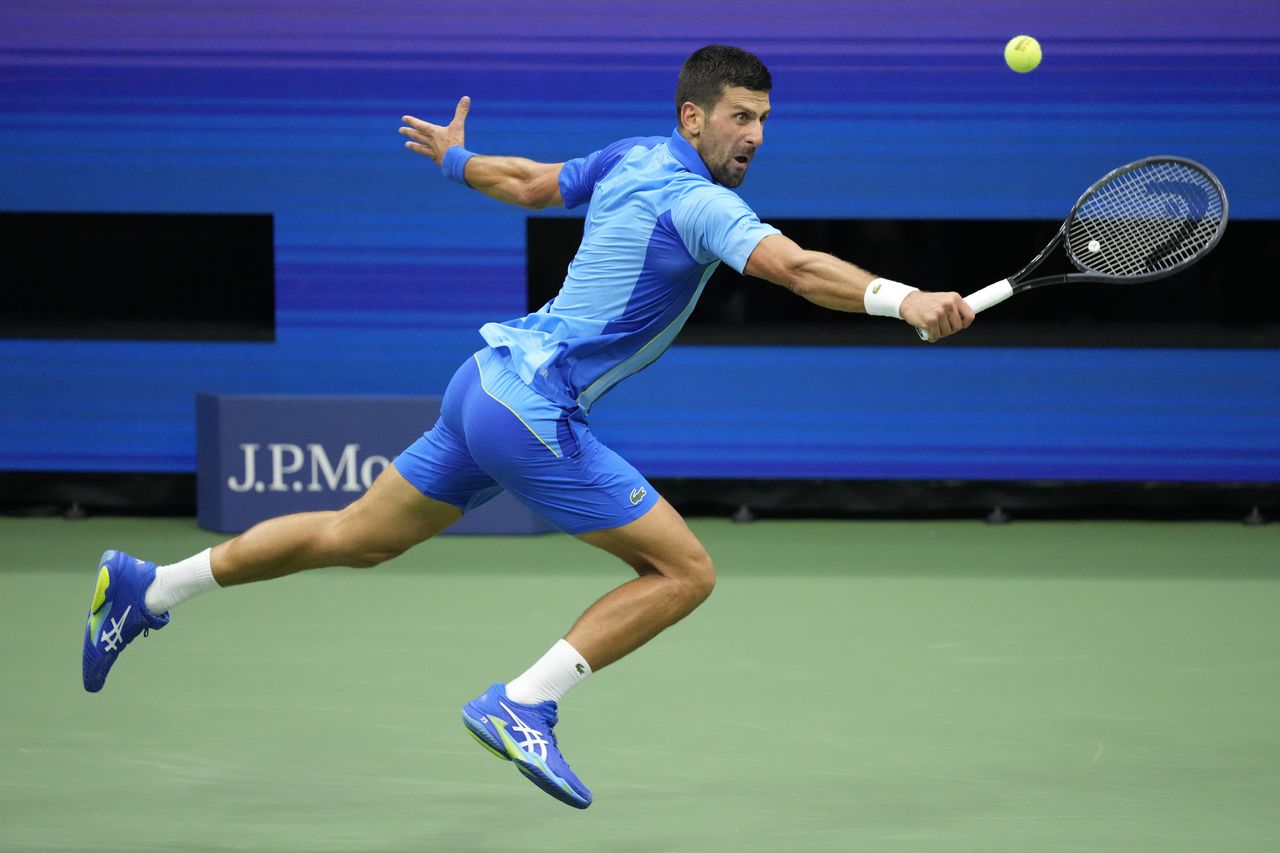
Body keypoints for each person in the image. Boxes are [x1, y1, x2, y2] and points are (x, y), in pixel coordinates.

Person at [81, 45, 973, 809]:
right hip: (531, 409)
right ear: (692, 117)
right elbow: (798, 267)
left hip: (480, 386)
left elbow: (529, 181)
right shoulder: (703, 204)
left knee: (356, 535)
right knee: (683, 570)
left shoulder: (632, 157)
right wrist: (907, 301)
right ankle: (525, 702)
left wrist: (453, 158)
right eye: (741, 116)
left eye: (766, 119)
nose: (756, 136)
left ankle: (151, 588)